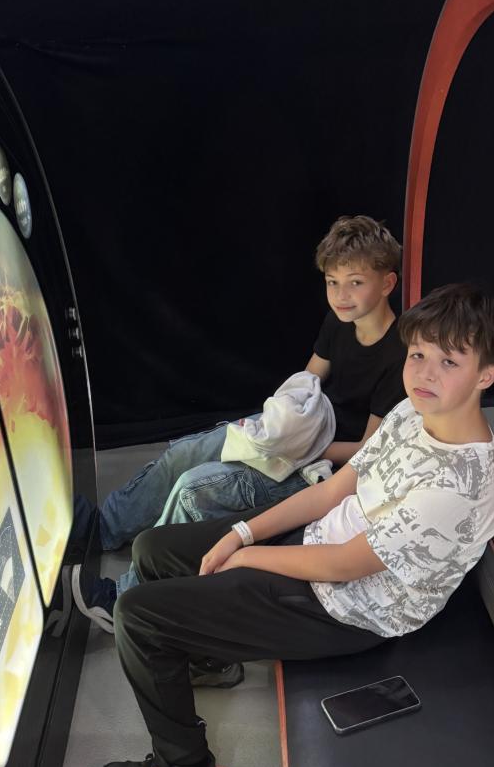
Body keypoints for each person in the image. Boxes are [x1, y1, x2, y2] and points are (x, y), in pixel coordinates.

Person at [98, 282, 494, 767]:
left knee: (137, 616)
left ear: (486, 375)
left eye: (449, 362)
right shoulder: (413, 414)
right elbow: (333, 491)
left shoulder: (459, 484)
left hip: (348, 608)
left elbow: (343, 566)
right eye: (418, 355)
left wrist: (246, 556)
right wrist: (242, 534)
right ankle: (207, 658)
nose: (425, 373)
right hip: (321, 543)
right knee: (154, 549)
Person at [73, 215, 407, 628]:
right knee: (185, 454)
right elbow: (306, 382)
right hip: (299, 431)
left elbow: (366, 451)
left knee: (194, 489)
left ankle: (123, 599)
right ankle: (105, 527)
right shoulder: (339, 323)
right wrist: (277, 422)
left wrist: (295, 446)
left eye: (355, 282)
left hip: (324, 463)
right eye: (332, 282)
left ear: (387, 283)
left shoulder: (400, 356)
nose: (341, 295)